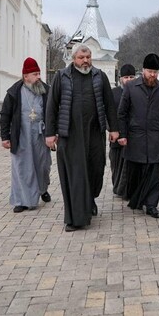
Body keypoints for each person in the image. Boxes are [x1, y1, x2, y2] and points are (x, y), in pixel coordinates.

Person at [45, 44, 119, 232]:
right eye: (81, 57)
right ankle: (75, 219)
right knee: (76, 175)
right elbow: (52, 106)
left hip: (94, 133)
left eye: (88, 57)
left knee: (96, 170)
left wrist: (114, 129)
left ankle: (90, 200)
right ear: (73, 58)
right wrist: (50, 134)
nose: (85, 61)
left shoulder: (99, 76)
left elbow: (109, 104)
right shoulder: (62, 76)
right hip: (70, 134)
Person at [118, 53, 159, 219]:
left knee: (154, 173)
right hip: (136, 137)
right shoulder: (131, 87)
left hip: (156, 136)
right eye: (150, 72)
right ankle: (138, 199)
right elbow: (122, 113)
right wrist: (123, 134)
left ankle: (152, 204)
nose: (153, 75)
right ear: (143, 71)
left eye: (155, 72)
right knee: (137, 171)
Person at [0, 57, 52, 213]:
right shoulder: (14, 92)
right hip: (21, 136)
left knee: (42, 166)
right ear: (26, 76)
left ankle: (42, 189)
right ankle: (21, 200)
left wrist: (53, 133)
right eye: (35, 74)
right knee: (22, 168)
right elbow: (5, 115)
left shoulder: (46, 90)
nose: (38, 77)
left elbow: (53, 112)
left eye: (39, 73)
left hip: (40, 135)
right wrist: (5, 137)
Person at [110, 63, 136, 197]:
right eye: (126, 77)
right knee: (117, 164)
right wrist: (112, 130)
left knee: (131, 166)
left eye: (132, 77)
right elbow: (108, 113)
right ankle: (118, 188)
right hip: (116, 135)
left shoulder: (138, 93)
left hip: (133, 136)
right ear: (120, 78)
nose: (129, 80)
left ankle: (129, 190)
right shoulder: (113, 93)